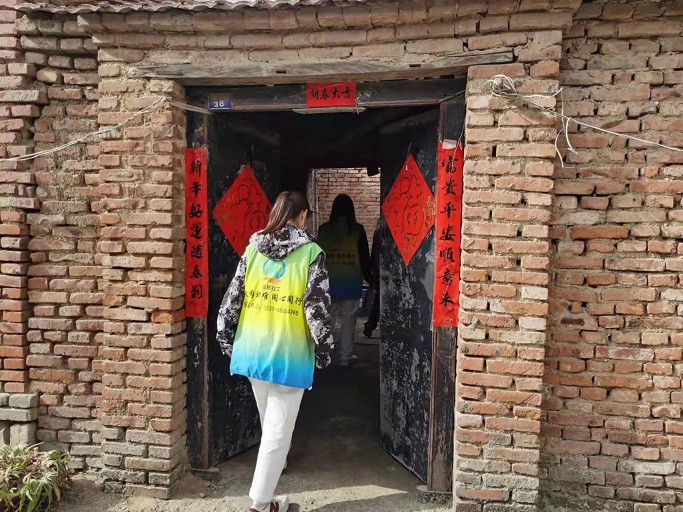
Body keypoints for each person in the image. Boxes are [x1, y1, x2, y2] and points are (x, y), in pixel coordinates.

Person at [217, 191, 333, 512]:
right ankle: (259, 504)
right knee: (277, 433)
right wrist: (324, 351)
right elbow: (317, 311)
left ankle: (273, 474)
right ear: (303, 215)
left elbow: (232, 300)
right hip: (289, 354)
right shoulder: (312, 253)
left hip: (253, 350)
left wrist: (226, 338)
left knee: (271, 425)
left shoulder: (252, 250)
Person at [317, 194, 372, 366]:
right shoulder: (357, 230)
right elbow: (364, 258)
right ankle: (344, 357)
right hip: (351, 283)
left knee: (328, 322)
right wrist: (371, 279)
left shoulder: (323, 230)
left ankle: (323, 356)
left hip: (328, 284)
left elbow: (317, 257)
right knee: (349, 321)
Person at [363, 220, 382, 338]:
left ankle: (370, 325)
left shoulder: (378, 230)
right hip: (388, 269)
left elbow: (375, 252)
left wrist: (373, 270)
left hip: (380, 270)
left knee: (378, 300)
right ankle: (371, 324)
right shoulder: (383, 231)